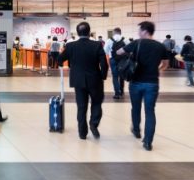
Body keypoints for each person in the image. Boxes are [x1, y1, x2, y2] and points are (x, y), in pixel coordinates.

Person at [117, 22, 169, 151]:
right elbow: (165, 64)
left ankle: (136, 130)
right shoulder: (161, 46)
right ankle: (148, 142)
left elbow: (119, 52)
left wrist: (127, 53)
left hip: (136, 82)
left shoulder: (137, 43)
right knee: (150, 111)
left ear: (145, 31)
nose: (138, 33)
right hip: (152, 83)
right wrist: (156, 70)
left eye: (139, 30)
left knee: (136, 107)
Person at [57, 22, 108, 140]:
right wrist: (103, 76)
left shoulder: (70, 46)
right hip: (95, 80)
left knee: (81, 106)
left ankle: (82, 133)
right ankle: (93, 124)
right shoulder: (97, 45)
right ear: (89, 32)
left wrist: (63, 62)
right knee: (96, 103)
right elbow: (104, 64)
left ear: (78, 32)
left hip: (78, 81)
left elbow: (60, 59)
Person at [104, 28, 127, 99]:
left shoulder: (109, 40)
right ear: (120, 32)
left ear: (114, 32)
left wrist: (111, 54)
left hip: (113, 60)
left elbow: (105, 51)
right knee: (122, 76)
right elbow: (129, 49)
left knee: (115, 76)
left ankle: (117, 93)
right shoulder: (125, 40)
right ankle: (122, 91)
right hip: (123, 60)